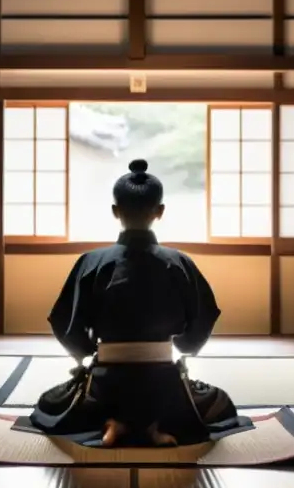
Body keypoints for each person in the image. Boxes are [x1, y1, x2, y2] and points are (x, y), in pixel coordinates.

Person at [23, 158, 247, 448]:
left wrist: (86, 351)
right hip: (164, 382)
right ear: (160, 211)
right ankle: (155, 424)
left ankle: (113, 421)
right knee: (220, 404)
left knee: (49, 403)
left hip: (105, 382)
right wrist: (186, 344)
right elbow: (203, 318)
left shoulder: (91, 263)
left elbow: (65, 320)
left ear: (116, 212)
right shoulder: (179, 263)